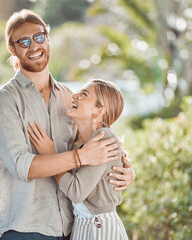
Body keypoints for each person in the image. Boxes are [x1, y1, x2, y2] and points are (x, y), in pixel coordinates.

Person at [0, 9, 135, 240]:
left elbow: (95, 149)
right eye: (23, 41)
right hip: (26, 230)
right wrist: (79, 158)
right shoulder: (4, 101)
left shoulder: (68, 98)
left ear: (48, 37)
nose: (34, 46)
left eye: (39, 37)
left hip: (73, 229)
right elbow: (22, 166)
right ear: (12, 49)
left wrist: (126, 171)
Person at [28, 79, 129, 240]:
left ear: (99, 111)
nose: (74, 96)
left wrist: (50, 155)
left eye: (84, 94)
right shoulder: (79, 142)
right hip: (83, 228)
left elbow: (76, 191)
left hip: (101, 230)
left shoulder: (104, 137)